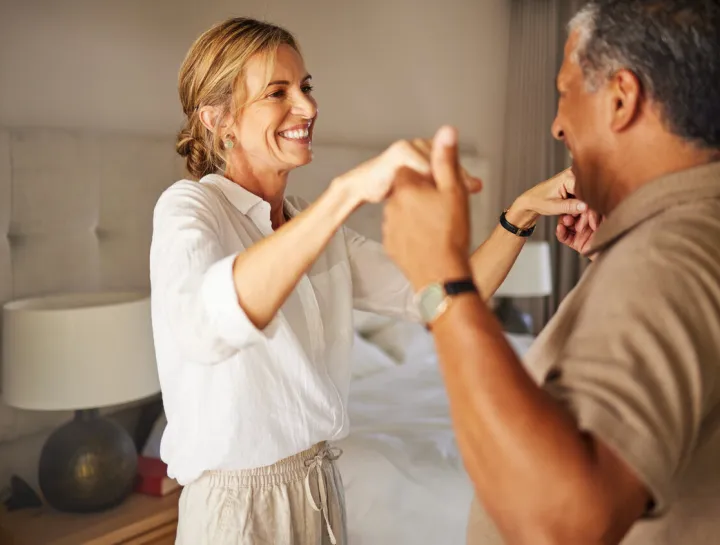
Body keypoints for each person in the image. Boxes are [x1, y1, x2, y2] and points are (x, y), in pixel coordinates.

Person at [150, 17, 587, 545]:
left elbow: (434, 295)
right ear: (219, 119)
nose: (308, 108)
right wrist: (347, 193)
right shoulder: (190, 208)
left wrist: (520, 212)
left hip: (321, 489)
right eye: (278, 92)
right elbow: (206, 322)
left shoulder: (310, 221)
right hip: (239, 511)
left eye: (306, 88)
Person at [381, 1, 720, 544]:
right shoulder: (688, 238)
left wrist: (441, 277)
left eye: (565, 92)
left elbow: (562, 525)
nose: (557, 125)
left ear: (621, 99)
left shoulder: (667, 254)